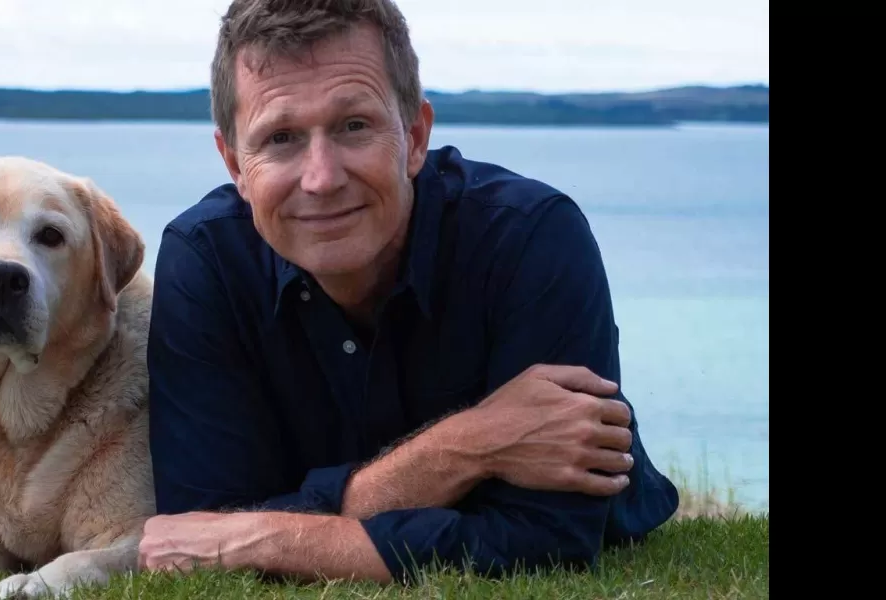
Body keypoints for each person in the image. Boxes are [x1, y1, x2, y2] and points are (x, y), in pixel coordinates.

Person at [137, 0, 680, 585]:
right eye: (281, 137)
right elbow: (200, 532)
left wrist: (263, 535)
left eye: (354, 126)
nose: (322, 178)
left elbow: (551, 538)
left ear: (415, 136)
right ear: (234, 164)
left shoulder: (530, 237)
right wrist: (470, 444)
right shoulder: (207, 260)